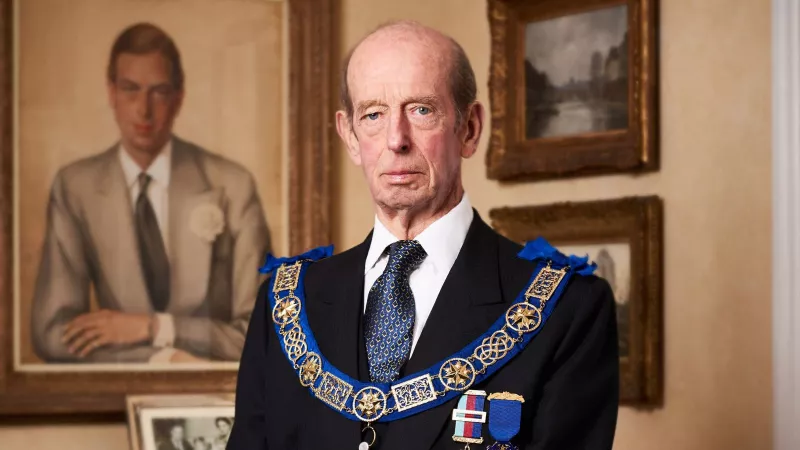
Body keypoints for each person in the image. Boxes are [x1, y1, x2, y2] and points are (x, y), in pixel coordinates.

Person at [227, 20, 618, 449]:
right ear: (350, 136)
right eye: (373, 115)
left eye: (421, 110)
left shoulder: (567, 307)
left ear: (469, 129)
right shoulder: (286, 304)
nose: (396, 139)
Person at [30, 22, 270, 364]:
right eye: (130, 89)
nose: (144, 110)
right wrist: (158, 360)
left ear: (178, 97)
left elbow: (263, 332)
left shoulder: (232, 184)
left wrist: (155, 327)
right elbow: (52, 333)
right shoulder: (75, 187)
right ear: (111, 92)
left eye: (158, 91)